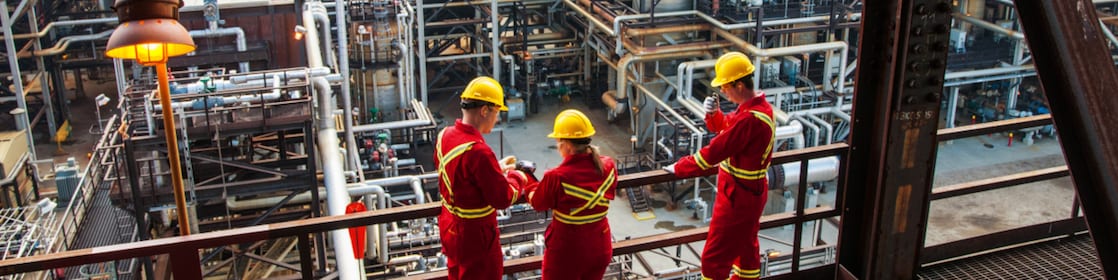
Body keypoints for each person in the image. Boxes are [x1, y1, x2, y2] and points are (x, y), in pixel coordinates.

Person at [664, 52, 775, 280]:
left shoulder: (749, 119)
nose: (723, 91)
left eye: (725, 86)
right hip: (750, 193)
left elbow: (715, 151)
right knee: (746, 249)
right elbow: (731, 130)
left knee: (714, 258)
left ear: (740, 85)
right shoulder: (758, 110)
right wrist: (713, 115)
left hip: (737, 196)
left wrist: (680, 167)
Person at [436, 76, 527, 280]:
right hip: (476, 238)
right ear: (484, 110)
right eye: (496, 113)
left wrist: (496, 169)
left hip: (451, 229)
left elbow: (459, 176)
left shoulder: (445, 135)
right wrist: (517, 176)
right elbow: (502, 198)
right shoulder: (479, 152)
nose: (497, 119)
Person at [522, 109, 618, 280]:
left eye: (558, 141)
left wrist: (527, 180)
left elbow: (538, 203)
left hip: (568, 252)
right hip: (600, 246)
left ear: (566, 144)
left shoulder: (557, 176)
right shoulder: (608, 165)